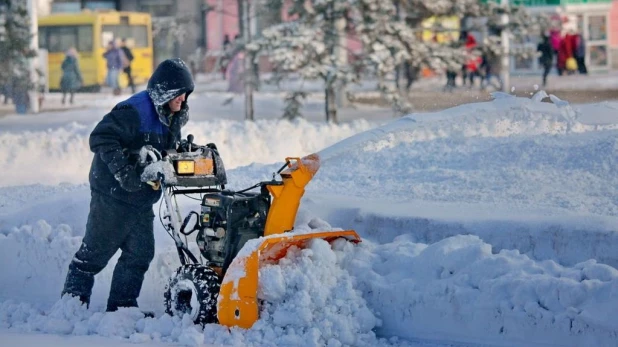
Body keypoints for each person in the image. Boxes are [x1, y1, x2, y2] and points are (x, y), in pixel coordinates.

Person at [61, 58, 194, 313]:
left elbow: (162, 149)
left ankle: (122, 309)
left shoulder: (171, 114)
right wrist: (128, 174)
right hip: (112, 195)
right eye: (179, 93)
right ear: (165, 91)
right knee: (94, 255)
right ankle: (71, 307)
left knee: (140, 254)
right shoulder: (134, 111)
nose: (183, 99)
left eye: (186, 94)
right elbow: (100, 138)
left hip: (141, 198)